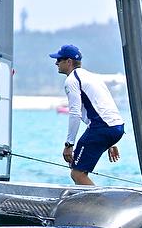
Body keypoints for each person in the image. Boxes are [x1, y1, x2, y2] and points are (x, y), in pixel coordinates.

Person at [50, 44, 124, 185]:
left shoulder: (71, 80)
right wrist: (111, 142)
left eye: (59, 60)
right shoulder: (92, 76)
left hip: (102, 128)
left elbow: (75, 113)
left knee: (77, 174)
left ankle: (100, 205)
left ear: (69, 62)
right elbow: (105, 105)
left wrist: (69, 144)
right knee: (79, 170)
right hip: (116, 126)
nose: (56, 63)